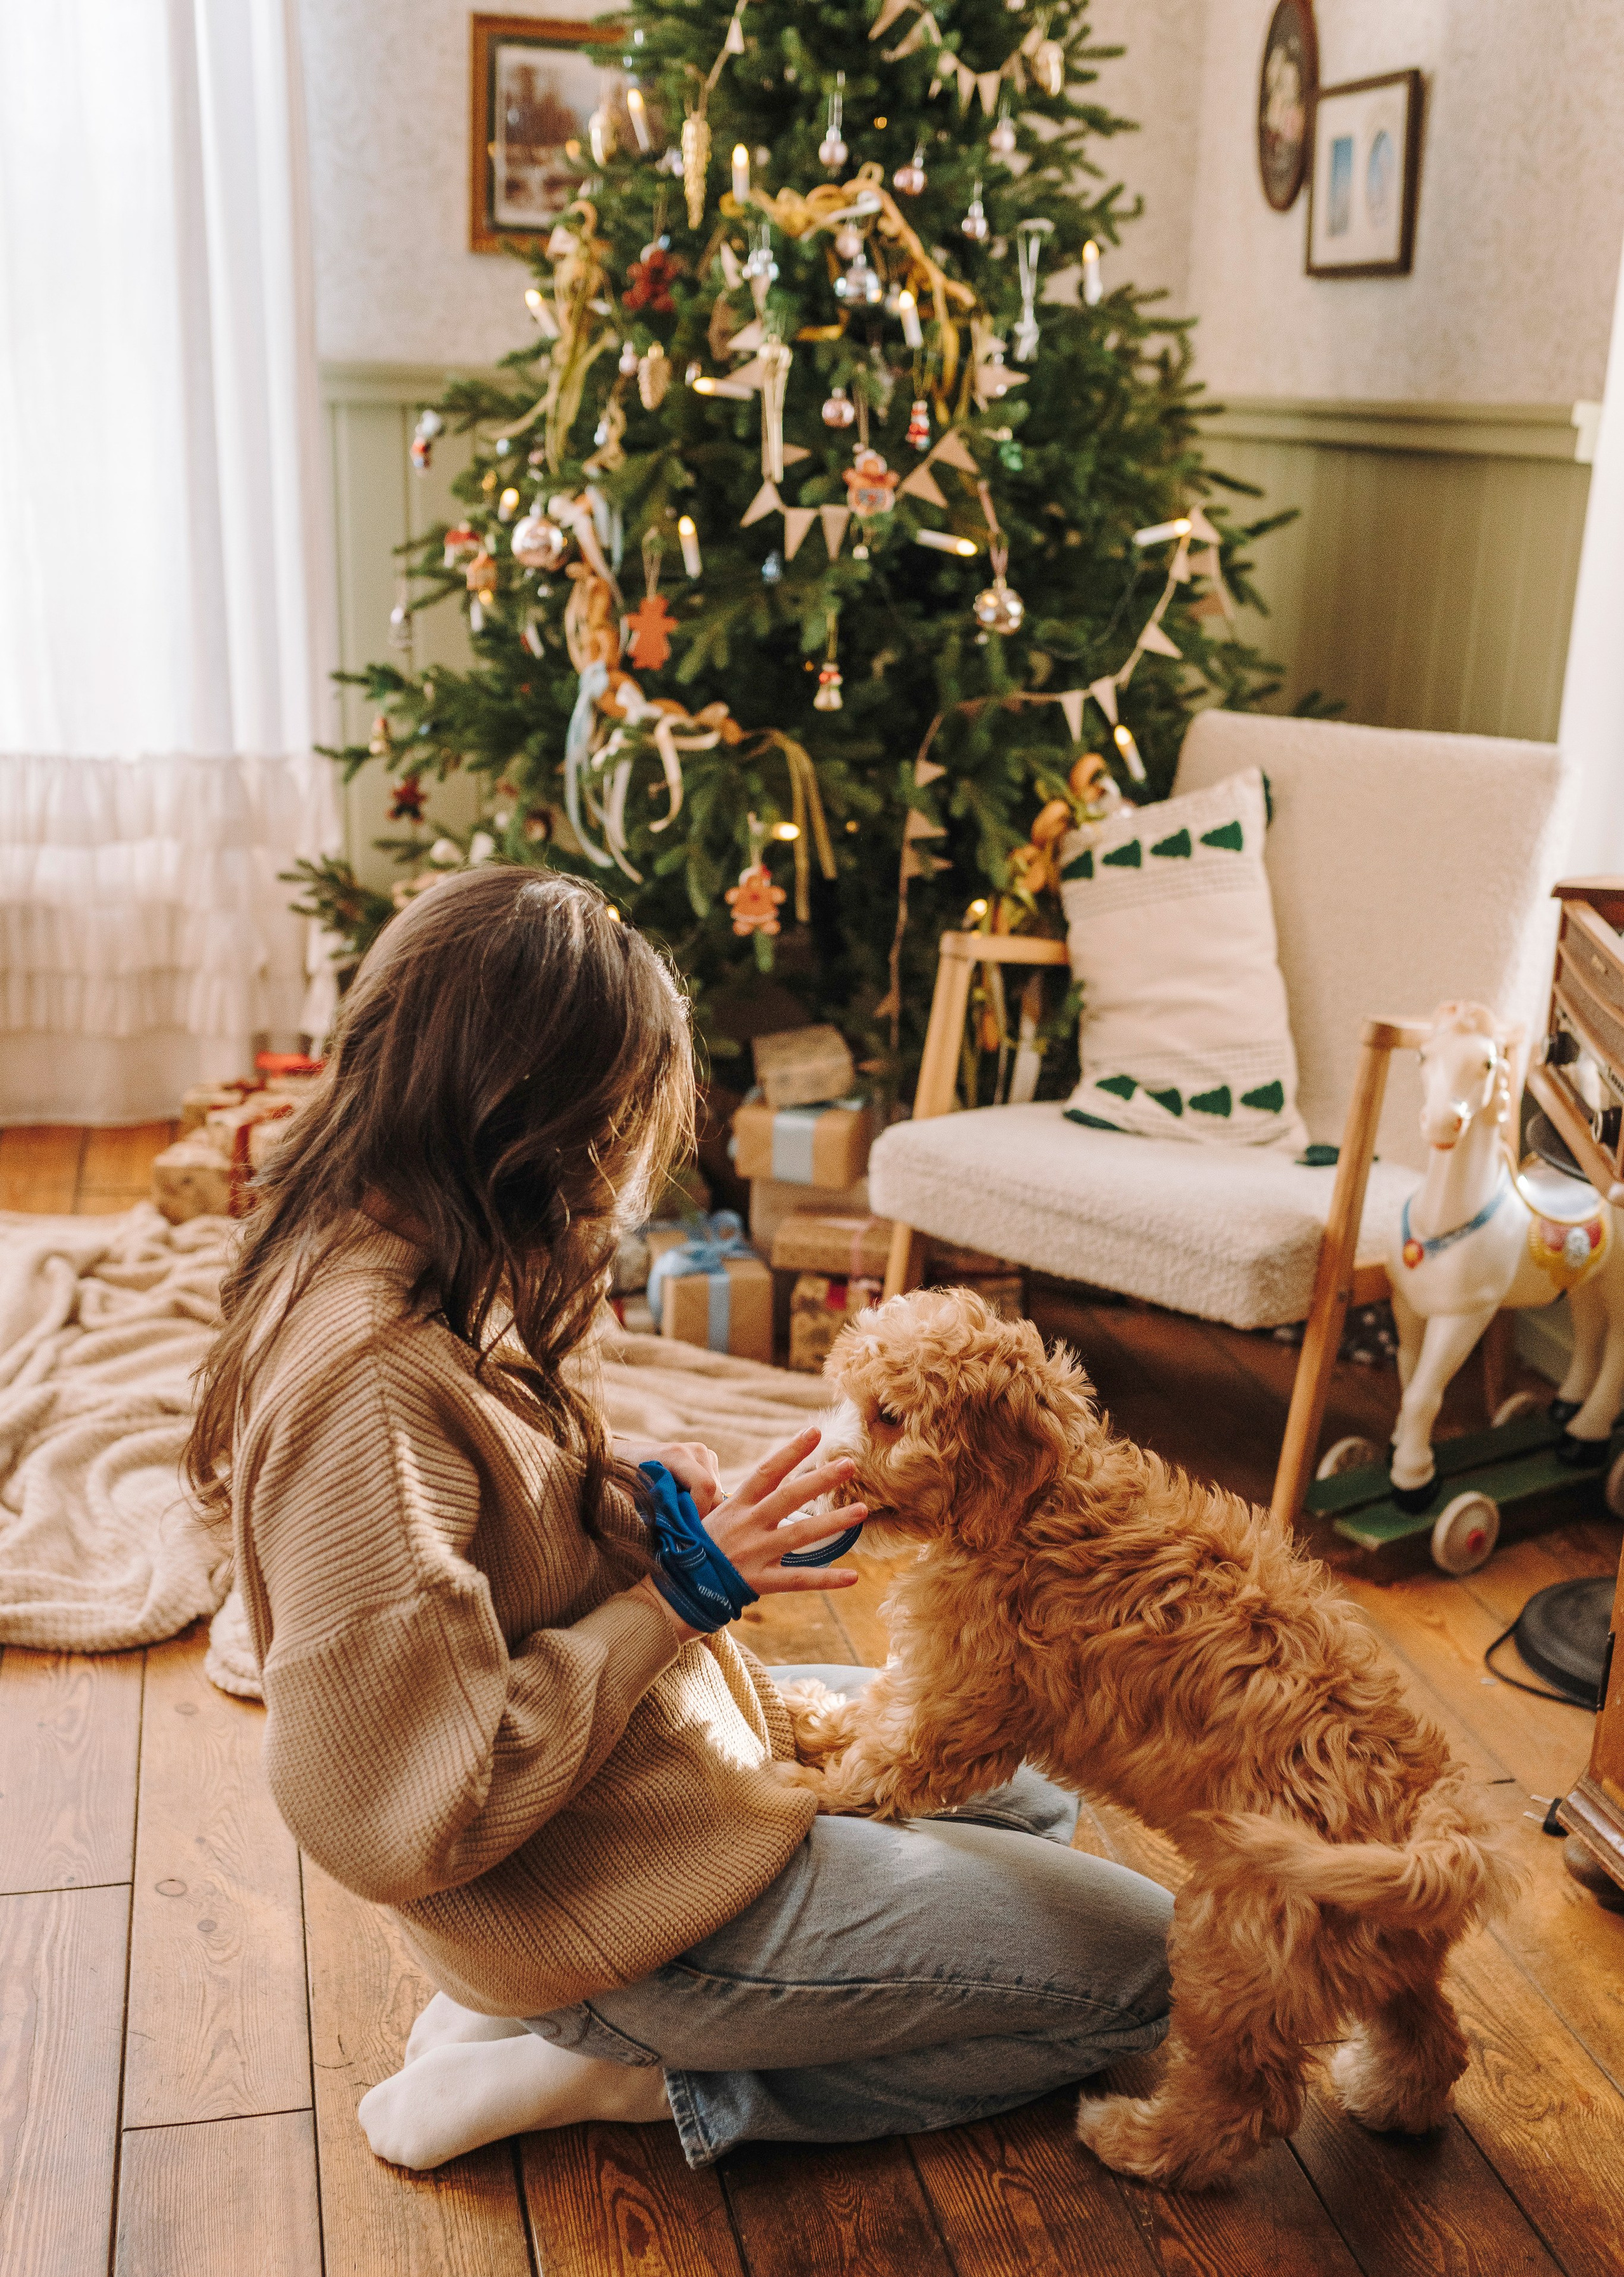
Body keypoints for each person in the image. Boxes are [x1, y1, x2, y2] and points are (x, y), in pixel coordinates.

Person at [188, 867, 1172, 2173]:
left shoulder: (408, 1228)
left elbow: (489, 1491)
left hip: (663, 1778)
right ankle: (613, 2069)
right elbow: (395, 1808)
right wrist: (677, 1598)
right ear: (520, 1118)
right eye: (607, 1127)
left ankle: (622, 2013)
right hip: (604, 1904)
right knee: (1157, 1967)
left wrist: (622, 1482)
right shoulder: (361, 1382)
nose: (612, 1172)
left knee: (1028, 1779)